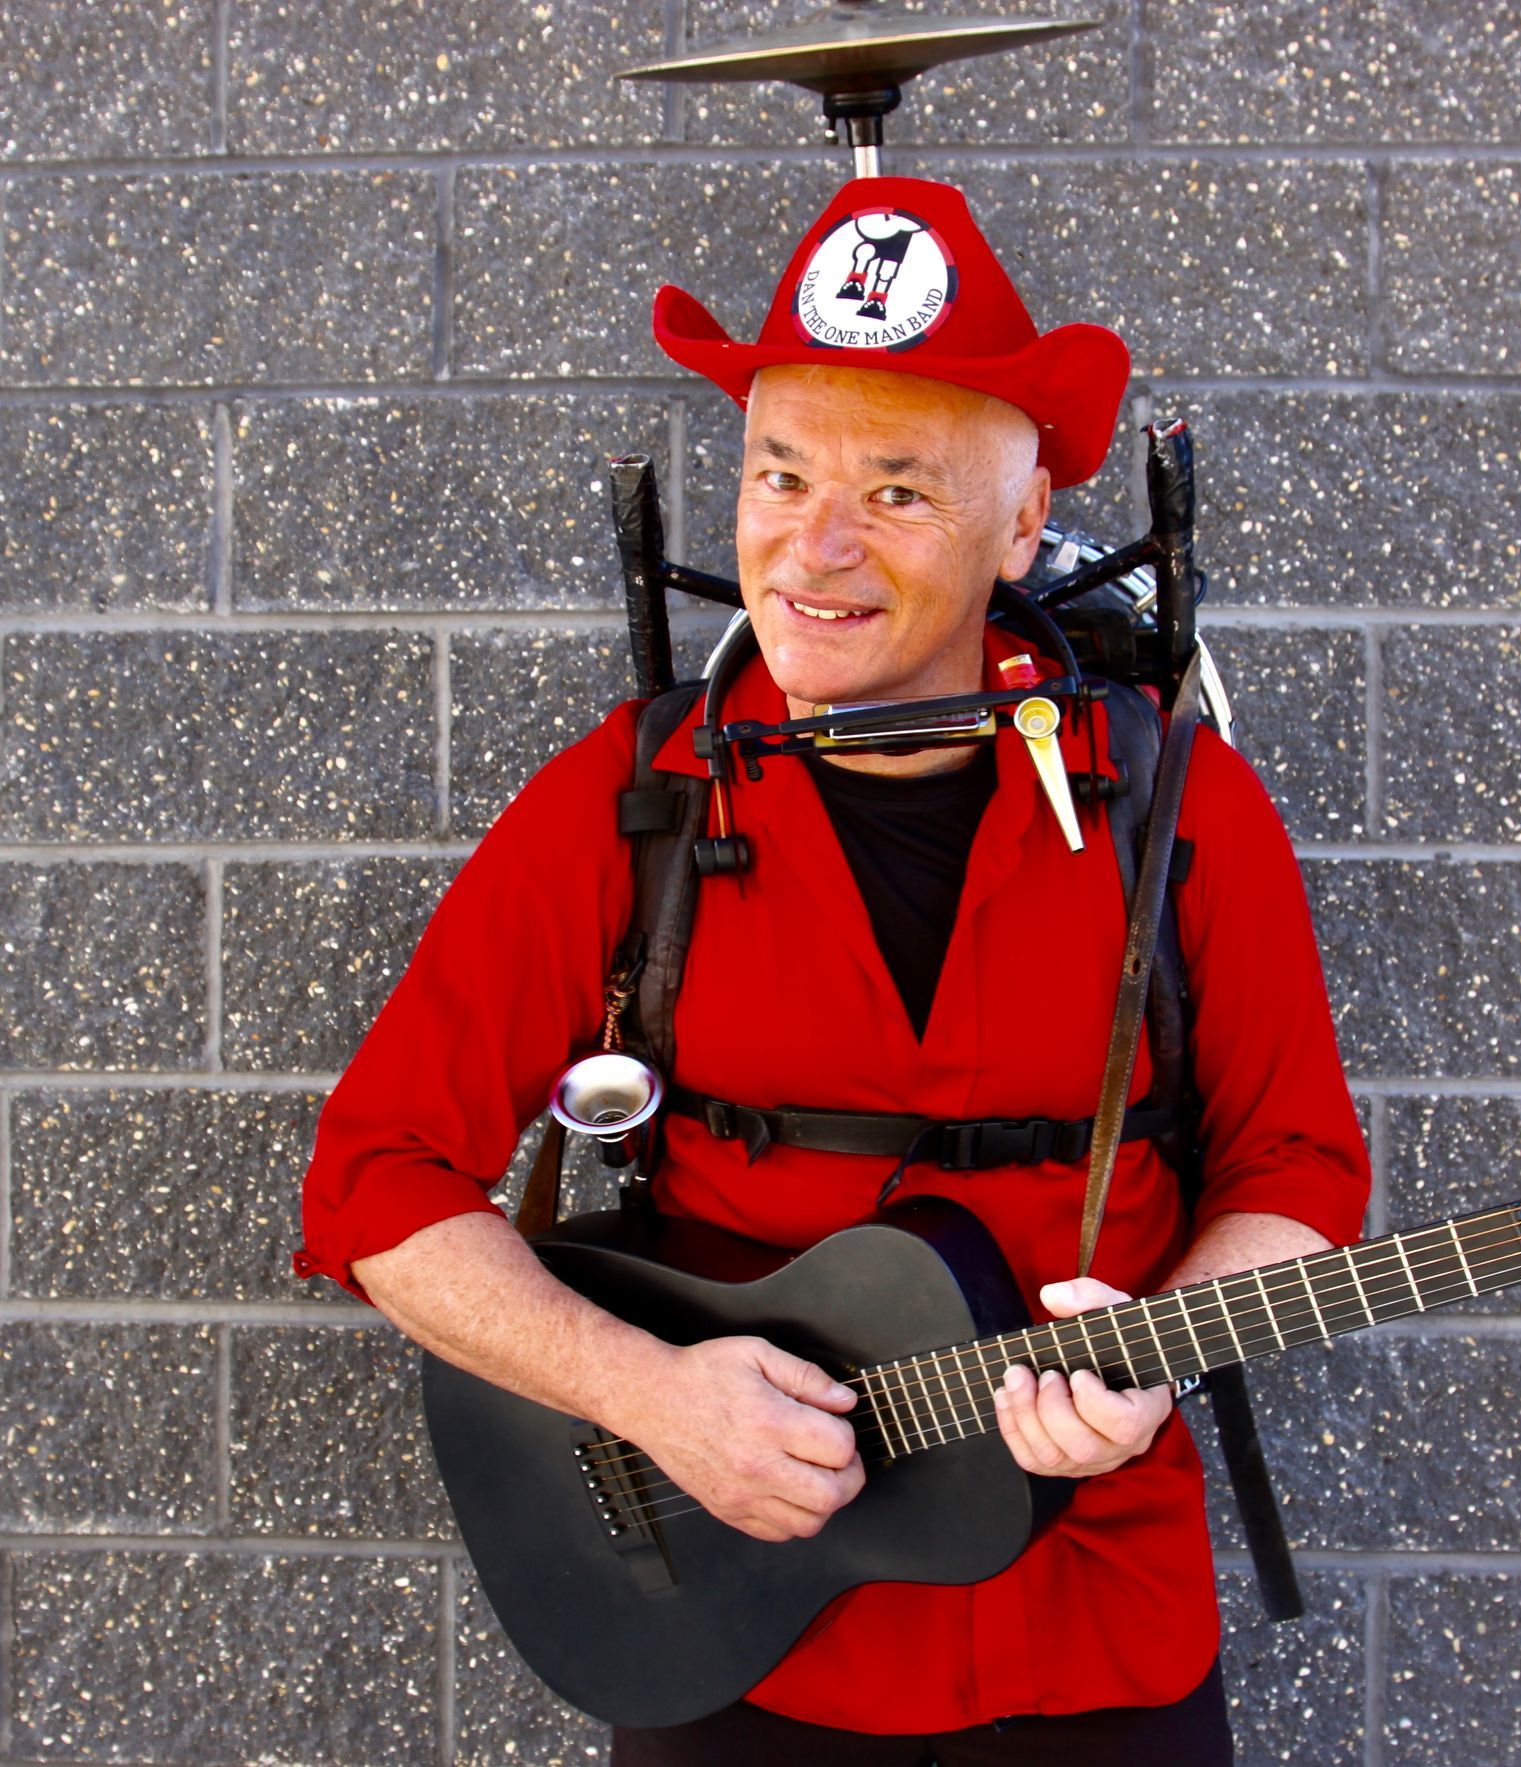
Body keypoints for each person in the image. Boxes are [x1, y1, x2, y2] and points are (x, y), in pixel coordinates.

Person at [296, 175, 1370, 1764]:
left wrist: (1164, 1354)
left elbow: (1299, 1165)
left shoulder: (1178, 803)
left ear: (1020, 527)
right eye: (777, 474)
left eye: (897, 492)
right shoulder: (631, 797)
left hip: (1093, 1633)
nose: (815, 547)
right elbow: (377, 1181)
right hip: (731, 1633)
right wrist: (647, 1394)